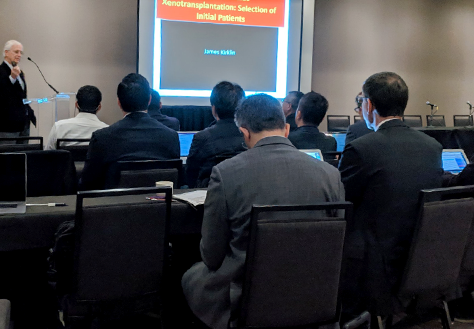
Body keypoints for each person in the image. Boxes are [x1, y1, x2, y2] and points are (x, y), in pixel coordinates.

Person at [182, 94, 345, 329]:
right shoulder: (330, 175)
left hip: (245, 299)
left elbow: (212, 254)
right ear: (287, 129)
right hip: (313, 296)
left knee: (190, 277)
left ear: (244, 132)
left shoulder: (226, 173)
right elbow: (332, 249)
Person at [338, 72, 443, 318]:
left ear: (369, 104)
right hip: (417, 256)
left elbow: (342, 202)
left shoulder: (362, 148)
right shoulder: (432, 147)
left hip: (370, 262)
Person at [79, 73, 180, 190]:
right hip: (159, 206)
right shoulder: (171, 136)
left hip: (114, 206)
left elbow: (88, 184)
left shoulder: (102, 137)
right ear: (149, 100)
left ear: (119, 102)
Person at [185, 81, 246, 188]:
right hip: (243, 196)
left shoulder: (202, 137)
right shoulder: (250, 136)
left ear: (214, 109)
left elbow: (190, 175)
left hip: (207, 196)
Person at [0, 40, 36, 141]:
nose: (19, 55)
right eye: (16, 52)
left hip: (24, 123)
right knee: (8, 155)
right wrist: (12, 78)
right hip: (8, 124)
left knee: (24, 154)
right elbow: (1, 95)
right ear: (6, 52)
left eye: (21, 52)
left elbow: (22, 96)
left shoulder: (20, 73)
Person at [45, 85, 108, 150]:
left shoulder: (59, 127)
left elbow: (47, 157)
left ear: (76, 105)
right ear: (99, 107)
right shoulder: (108, 132)